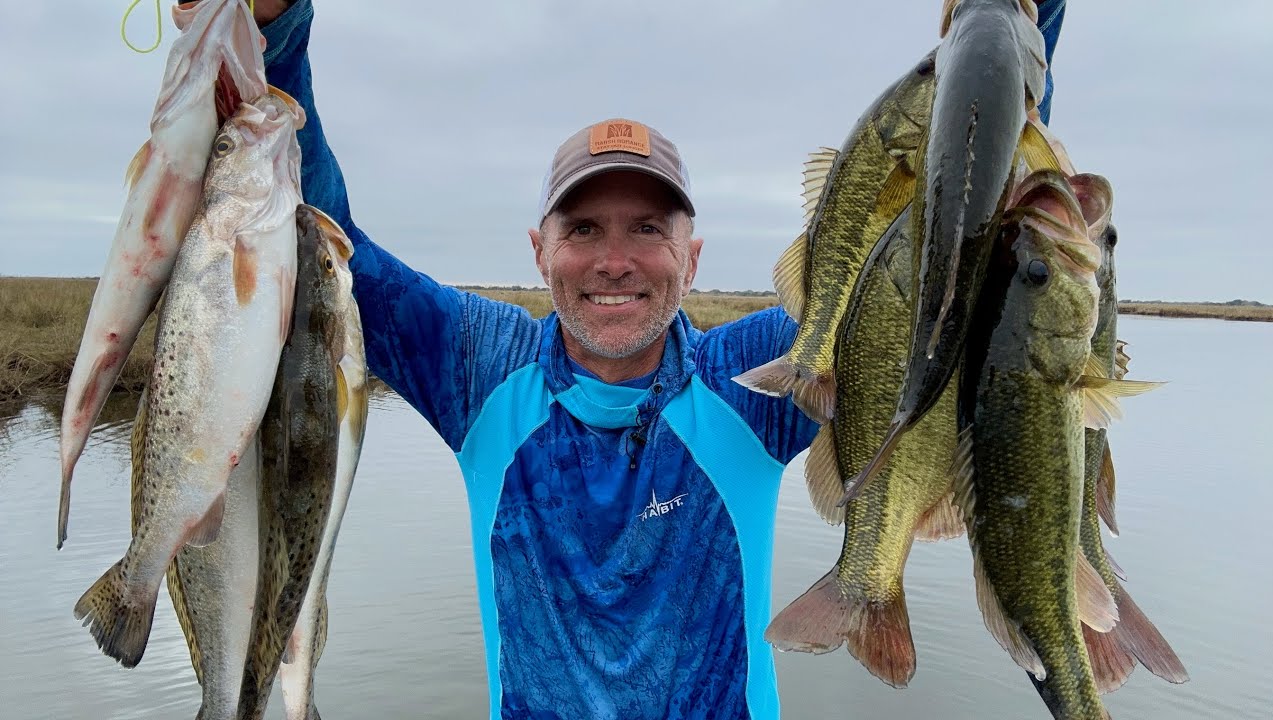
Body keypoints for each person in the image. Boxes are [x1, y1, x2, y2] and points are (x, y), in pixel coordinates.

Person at [242, 1, 1067, 717]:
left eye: (648, 228)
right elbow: (323, 241)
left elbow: (958, 235)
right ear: (540, 249)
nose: (615, 260)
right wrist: (278, 28)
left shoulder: (752, 382)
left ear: (692, 256)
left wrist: (1013, 22)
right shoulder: (478, 367)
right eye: (584, 228)